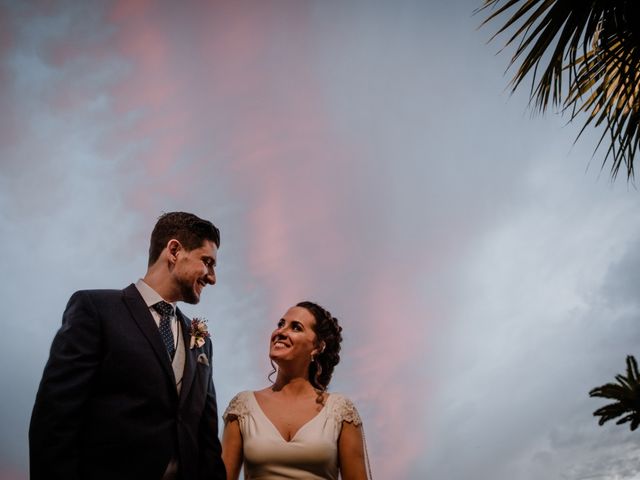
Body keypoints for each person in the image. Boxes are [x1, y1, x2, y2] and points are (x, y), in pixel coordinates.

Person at [29, 211, 226, 480]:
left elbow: (207, 441)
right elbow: (55, 421)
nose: (212, 277)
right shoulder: (96, 310)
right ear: (174, 250)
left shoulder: (201, 341)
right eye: (207, 262)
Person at [222, 301, 371, 480]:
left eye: (296, 328)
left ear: (317, 347)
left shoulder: (340, 411)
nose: (281, 332)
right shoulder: (243, 406)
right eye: (280, 324)